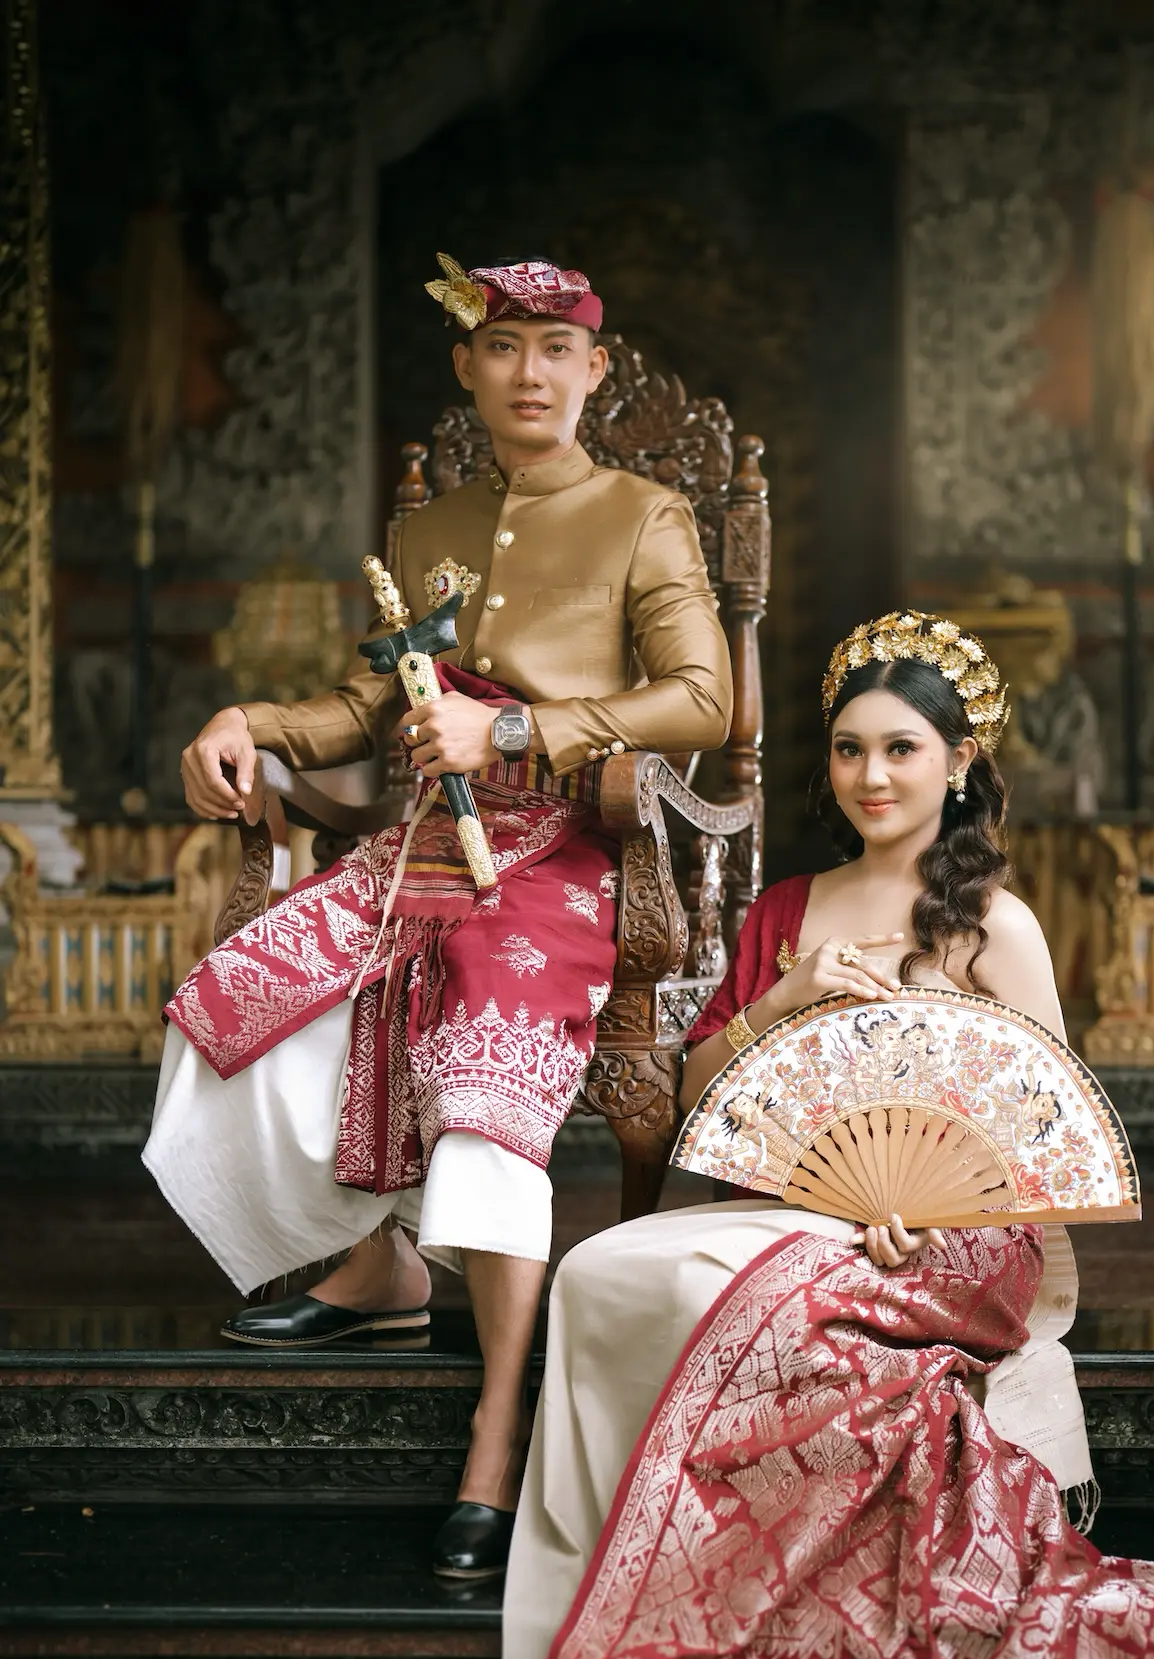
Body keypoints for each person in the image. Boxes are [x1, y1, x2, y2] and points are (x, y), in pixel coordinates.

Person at [468, 613, 1154, 1659]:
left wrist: (932, 1214)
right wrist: (783, 1001)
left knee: (815, 1310)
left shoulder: (997, 925)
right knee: (613, 1273)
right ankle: (695, 1587)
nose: (872, 775)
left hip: (961, 1230)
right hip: (795, 1199)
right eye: (849, 749)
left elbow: (1041, 1127)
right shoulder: (787, 909)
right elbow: (699, 1093)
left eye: (901, 748)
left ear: (959, 763)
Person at [143, 255, 732, 1579]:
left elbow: (705, 701)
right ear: (468, 368)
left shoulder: (645, 516)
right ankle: (382, 1270)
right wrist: (248, 720)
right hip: (420, 843)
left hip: (565, 850)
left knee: (475, 1028)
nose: (531, 372)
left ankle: (496, 1430)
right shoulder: (430, 532)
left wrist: (513, 729)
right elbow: (373, 708)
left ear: (595, 369)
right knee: (240, 992)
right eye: (504, 346)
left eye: (556, 349)